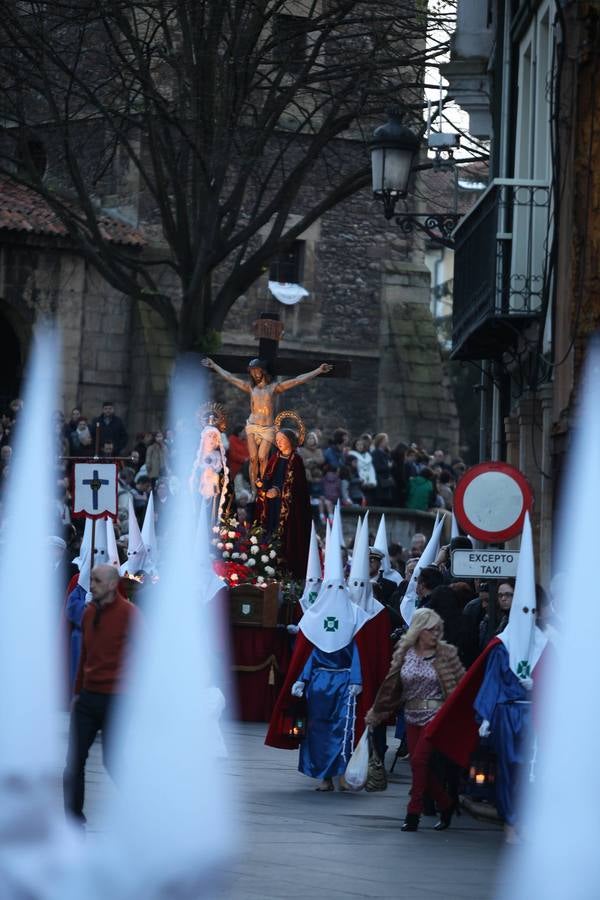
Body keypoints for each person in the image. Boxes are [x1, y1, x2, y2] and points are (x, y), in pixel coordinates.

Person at [265, 530, 371, 791]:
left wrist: (356, 679)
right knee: (317, 729)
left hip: (345, 682)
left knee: (342, 729)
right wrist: (302, 678)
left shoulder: (355, 616)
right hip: (319, 683)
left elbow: (357, 650)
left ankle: (342, 773)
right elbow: (312, 651)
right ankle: (324, 776)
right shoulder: (315, 616)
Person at [365, 608, 464, 831]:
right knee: (421, 768)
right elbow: (391, 685)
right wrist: (377, 712)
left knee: (419, 761)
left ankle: (413, 813)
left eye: (438, 629)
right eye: (430, 630)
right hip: (411, 714)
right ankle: (447, 803)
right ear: (419, 630)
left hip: (436, 717)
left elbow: (459, 687)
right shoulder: (404, 652)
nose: (435, 634)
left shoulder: (446, 654)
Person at [63, 564, 139, 825]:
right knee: (74, 760)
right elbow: (84, 655)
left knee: (113, 761)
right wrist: (77, 694)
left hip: (117, 698)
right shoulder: (89, 613)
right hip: (88, 696)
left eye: (95, 581)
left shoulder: (130, 614)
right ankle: (73, 819)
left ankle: (141, 807)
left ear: (110, 584)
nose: (90, 585)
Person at [202, 356, 332, 489]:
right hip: (252, 425)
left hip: (267, 427)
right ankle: (254, 490)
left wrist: (318, 370)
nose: (254, 374)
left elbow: (297, 380)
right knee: (253, 459)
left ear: (263, 371)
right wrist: (214, 365)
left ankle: (262, 486)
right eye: (252, 372)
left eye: (256, 371)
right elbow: (229, 377)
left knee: (263, 457)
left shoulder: (273, 388)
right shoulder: (251, 388)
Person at [254, 428, 311, 578]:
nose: (278, 442)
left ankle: (285, 572)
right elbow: (268, 477)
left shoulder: (296, 460)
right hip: (273, 505)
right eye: (277, 440)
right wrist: (263, 485)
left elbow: (298, 488)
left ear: (290, 441)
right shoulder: (275, 458)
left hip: (289, 510)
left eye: (282, 439)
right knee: (270, 531)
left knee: (286, 537)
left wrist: (279, 492)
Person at [371, 432, 394, 506]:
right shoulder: (376, 453)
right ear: (380, 441)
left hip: (385, 483)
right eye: (385, 440)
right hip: (380, 483)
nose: (387, 442)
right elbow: (377, 467)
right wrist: (388, 467)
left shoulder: (385, 453)